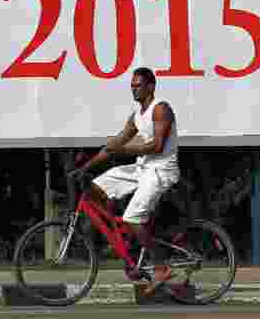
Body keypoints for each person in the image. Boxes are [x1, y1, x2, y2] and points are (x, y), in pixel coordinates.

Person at [68, 67, 180, 295]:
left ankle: (161, 267)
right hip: (141, 168)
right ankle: (128, 237)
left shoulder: (161, 109)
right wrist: (84, 168)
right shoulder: (137, 116)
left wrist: (125, 148)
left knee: (132, 217)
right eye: (132, 86)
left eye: (138, 85)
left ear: (151, 86)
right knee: (96, 187)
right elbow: (113, 145)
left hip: (161, 170)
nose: (134, 89)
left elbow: (157, 146)